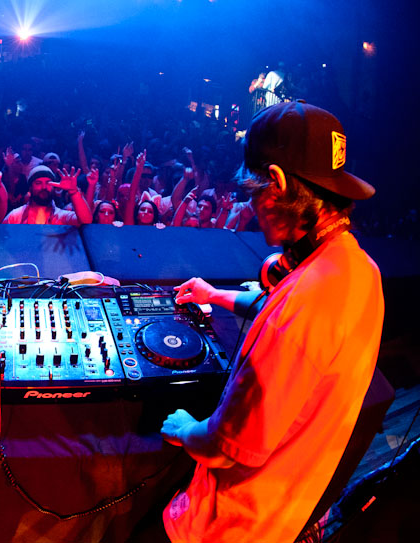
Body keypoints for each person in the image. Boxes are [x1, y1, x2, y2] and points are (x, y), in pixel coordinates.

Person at [157, 101, 382, 543]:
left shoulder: (304, 306)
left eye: (252, 191)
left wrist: (185, 429)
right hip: (284, 516)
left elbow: (225, 447)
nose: (251, 206)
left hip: (224, 529)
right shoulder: (360, 270)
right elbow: (274, 303)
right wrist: (214, 295)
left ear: (276, 184)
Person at [2, 165, 92, 225]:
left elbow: (86, 221)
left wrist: (74, 192)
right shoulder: (15, 217)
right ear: (30, 188)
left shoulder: (62, 217)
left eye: (48, 183)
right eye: (38, 183)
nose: (44, 187)